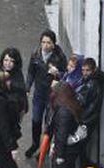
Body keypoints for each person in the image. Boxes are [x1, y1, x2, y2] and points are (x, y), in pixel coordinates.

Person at [25, 29, 67, 158]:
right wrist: (27, 87)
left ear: (53, 44)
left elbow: (66, 76)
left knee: (48, 123)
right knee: (36, 119)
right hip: (39, 93)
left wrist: (57, 73)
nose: (45, 45)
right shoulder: (36, 55)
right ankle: (35, 143)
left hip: (52, 95)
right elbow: (31, 72)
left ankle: (45, 149)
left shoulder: (59, 57)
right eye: (43, 42)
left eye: (48, 42)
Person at [47, 82, 84, 168]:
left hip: (66, 151)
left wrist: (59, 154)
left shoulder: (64, 111)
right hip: (67, 149)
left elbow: (61, 134)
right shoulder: (68, 107)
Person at [76, 57, 104, 168]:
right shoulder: (94, 81)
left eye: (87, 70)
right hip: (88, 120)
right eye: (83, 70)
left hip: (86, 121)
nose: (84, 73)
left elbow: (83, 102)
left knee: (80, 149)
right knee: (82, 150)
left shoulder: (92, 84)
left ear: (93, 70)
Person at [0, 48, 28, 131]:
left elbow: (22, 95)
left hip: (12, 114)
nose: (8, 63)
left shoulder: (18, 75)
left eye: (11, 61)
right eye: (6, 60)